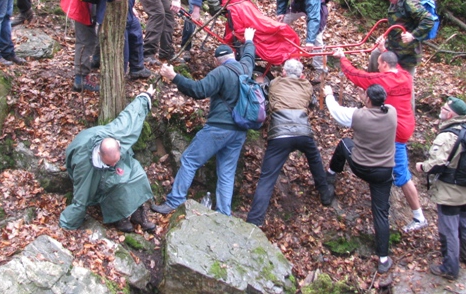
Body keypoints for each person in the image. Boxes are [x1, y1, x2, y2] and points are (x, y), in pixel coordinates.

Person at [152, 28, 256, 216]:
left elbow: (199, 90)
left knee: (190, 160)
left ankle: (175, 201)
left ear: (217, 61)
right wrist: (249, 40)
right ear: (234, 55)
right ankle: (224, 214)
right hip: (240, 130)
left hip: (218, 128)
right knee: (226, 173)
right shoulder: (246, 68)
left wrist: (173, 76)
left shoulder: (220, 72)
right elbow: (249, 55)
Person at [332, 48, 427, 233]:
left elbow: (358, 76)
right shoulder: (405, 75)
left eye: (379, 63)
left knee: (402, 175)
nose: (377, 66)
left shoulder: (384, 80)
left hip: (397, 131)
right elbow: (395, 64)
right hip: (406, 124)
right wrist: (384, 49)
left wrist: (342, 58)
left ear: (384, 64)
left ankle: (418, 216)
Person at [246, 59, 333, 227]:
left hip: (279, 134)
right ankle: (325, 193)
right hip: (303, 132)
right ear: (301, 75)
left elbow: (264, 94)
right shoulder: (307, 85)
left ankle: (254, 221)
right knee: (315, 159)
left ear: (283, 72)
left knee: (267, 177)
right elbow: (313, 104)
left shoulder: (275, 83)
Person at [59, 85, 157, 232]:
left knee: (137, 172)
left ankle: (138, 212)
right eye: (112, 162)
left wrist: (146, 96)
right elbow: (81, 198)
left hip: (110, 160)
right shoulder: (84, 165)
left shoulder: (117, 134)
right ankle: (119, 216)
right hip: (94, 172)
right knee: (115, 183)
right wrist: (67, 225)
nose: (115, 163)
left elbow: (130, 116)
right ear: (100, 155)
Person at [324, 83, 397, 274]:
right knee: (380, 213)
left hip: (362, 167)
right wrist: (365, 100)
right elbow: (372, 109)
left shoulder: (358, 116)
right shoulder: (391, 112)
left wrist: (328, 95)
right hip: (384, 171)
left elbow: (337, 112)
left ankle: (331, 173)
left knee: (344, 144)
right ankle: (383, 258)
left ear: (369, 99)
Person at [415, 96, 466, 280]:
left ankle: (450, 268)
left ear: (450, 114)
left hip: (450, 192)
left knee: (449, 230)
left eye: (443, 107)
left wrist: (421, 167)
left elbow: (437, 163)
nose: (440, 109)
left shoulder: (448, 135)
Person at [222, 0, 301, 65]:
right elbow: (259, 23)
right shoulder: (241, 4)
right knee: (288, 35)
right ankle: (292, 66)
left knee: (287, 33)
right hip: (253, 34)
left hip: (248, 32)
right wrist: (278, 26)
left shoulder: (236, 1)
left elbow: (256, 20)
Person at [369, 0, 434, 82]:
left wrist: (413, 35)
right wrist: (385, 36)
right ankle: (372, 89)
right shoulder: (397, 1)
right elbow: (398, 22)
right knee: (376, 55)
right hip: (394, 47)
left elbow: (428, 20)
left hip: (407, 52)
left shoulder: (409, 2)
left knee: (405, 82)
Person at [276, 0, 326, 71]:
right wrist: (280, 12)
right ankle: (277, 50)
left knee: (317, 39)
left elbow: (314, 18)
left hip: (316, 10)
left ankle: (320, 68)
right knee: (281, 23)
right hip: (298, 5)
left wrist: (309, 41)